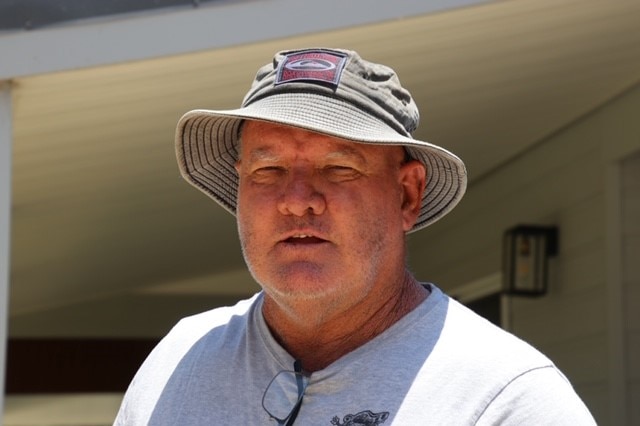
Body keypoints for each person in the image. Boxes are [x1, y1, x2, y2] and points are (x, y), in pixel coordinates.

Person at [114, 48, 596, 425]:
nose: (297, 199)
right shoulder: (180, 360)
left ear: (407, 195)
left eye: (338, 168)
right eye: (269, 169)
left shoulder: (504, 399)